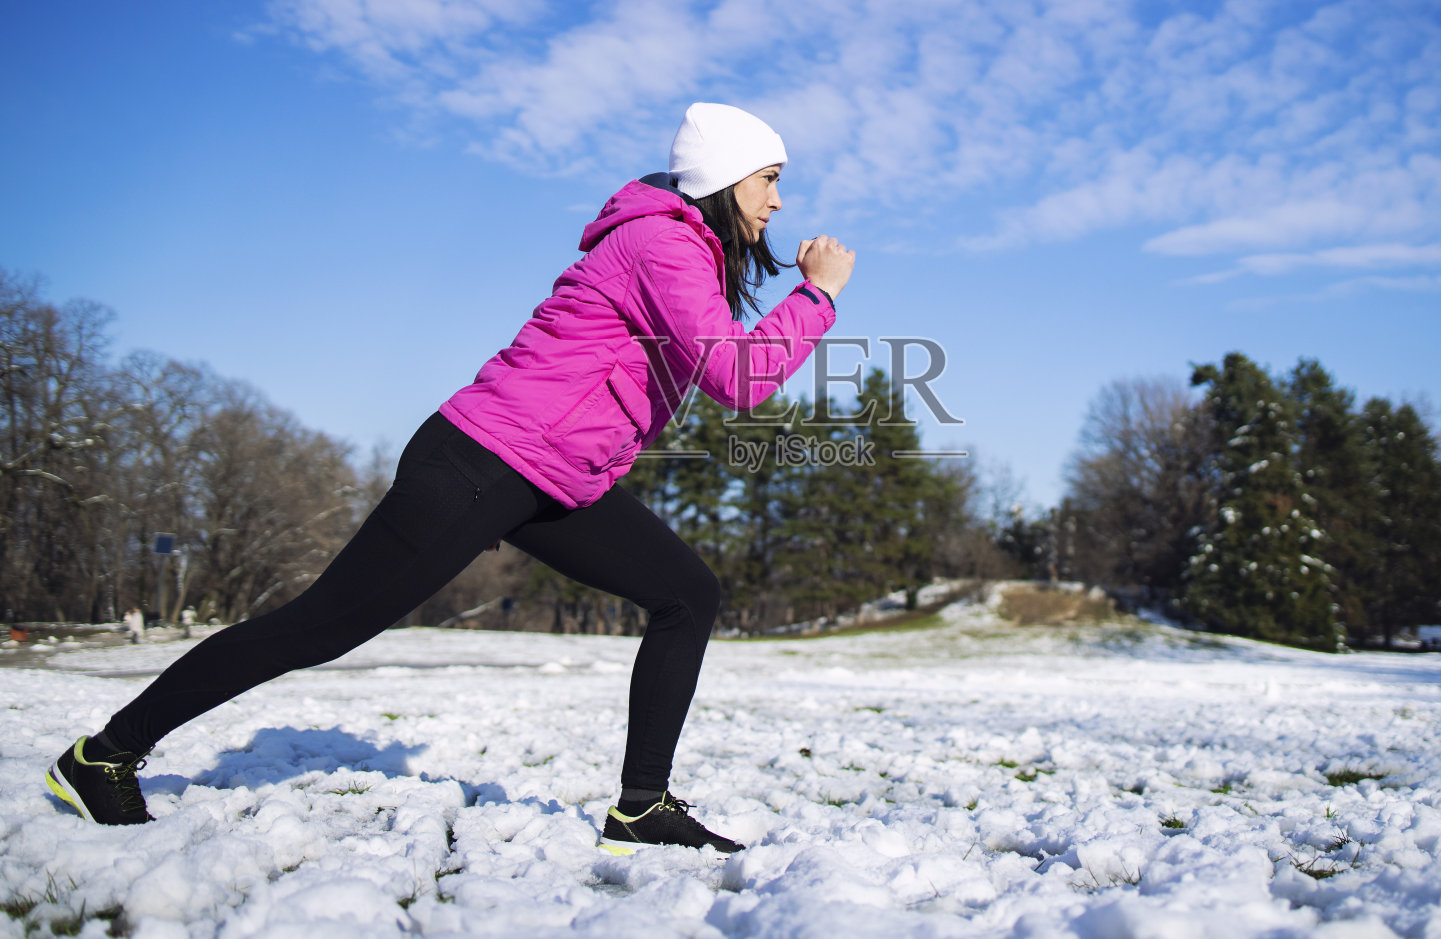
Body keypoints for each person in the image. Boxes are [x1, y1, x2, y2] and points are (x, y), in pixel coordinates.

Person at [45, 102, 856, 854]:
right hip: (481, 459)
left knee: (687, 594)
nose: (778, 200)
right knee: (319, 627)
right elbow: (739, 376)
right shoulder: (662, 243)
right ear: (723, 177)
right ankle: (102, 755)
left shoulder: (685, 249)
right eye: (768, 178)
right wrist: (816, 295)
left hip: (552, 476)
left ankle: (641, 805)